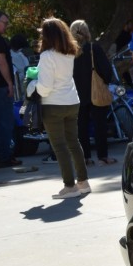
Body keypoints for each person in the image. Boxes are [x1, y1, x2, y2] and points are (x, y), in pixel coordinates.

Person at [35, 18, 90, 198]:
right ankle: (83, 182)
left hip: (53, 104)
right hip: (71, 100)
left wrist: (32, 86)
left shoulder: (47, 56)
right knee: (74, 142)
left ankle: (69, 186)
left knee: (59, 146)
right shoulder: (69, 53)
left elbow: (45, 87)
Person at [70, 20, 116, 166]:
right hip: (95, 91)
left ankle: (85, 158)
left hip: (76, 93)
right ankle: (103, 156)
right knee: (99, 125)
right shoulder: (93, 48)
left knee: (81, 126)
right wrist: (106, 82)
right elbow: (106, 70)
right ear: (87, 32)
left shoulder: (67, 51)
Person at [0, 10, 20, 168]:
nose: (6, 26)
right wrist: (10, 83)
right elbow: (1, 61)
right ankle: (4, 156)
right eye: (4, 22)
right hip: (0, 87)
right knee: (5, 122)